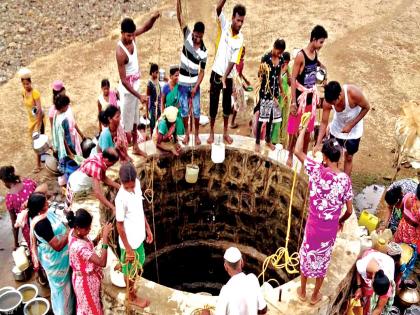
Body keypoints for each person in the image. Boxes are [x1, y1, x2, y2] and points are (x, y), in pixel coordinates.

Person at [294, 121, 353, 305]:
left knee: (307, 256)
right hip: (329, 231)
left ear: (325, 158)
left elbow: (297, 151)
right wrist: (340, 221)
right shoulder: (345, 180)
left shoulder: (316, 170)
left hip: (313, 227)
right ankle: (314, 295)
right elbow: (349, 211)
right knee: (323, 260)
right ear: (339, 158)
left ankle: (303, 291)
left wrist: (304, 128)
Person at [116, 14, 160, 155]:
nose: (131, 38)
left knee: (135, 120)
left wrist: (154, 18)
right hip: (128, 92)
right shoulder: (120, 52)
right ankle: (123, 152)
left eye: (132, 35)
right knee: (125, 124)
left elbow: (146, 27)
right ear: (122, 33)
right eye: (128, 35)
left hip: (136, 87)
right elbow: (123, 80)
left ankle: (135, 146)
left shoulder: (133, 36)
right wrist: (139, 95)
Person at [28, 192, 75, 315]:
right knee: (61, 289)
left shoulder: (35, 215)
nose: (48, 203)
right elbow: (58, 246)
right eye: (45, 203)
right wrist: (70, 230)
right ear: (39, 208)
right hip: (55, 260)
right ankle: (63, 312)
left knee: (61, 287)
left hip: (51, 258)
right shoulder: (41, 224)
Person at [287, 25, 328, 167]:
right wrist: (293, 102)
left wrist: (322, 66)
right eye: (321, 42)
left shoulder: (315, 54)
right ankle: (290, 154)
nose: (322, 45)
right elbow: (293, 79)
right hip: (299, 98)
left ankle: (303, 155)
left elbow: (316, 63)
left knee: (307, 128)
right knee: (293, 128)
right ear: (314, 40)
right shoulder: (300, 56)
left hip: (311, 98)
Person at [207, 1, 246, 145]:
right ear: (232, 18)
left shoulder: (240, 38)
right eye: (238, 20)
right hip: (216, 73)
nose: (240, 24)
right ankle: (211, 132)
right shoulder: (224, 26)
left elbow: (234, 60)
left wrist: (225, 77)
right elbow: (217, 8)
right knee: (213, 105)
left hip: (228, 77)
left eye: (242, 21)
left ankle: (225, 132)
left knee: (226, 106)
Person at [115, 163, 153, 308]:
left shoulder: (137, 184)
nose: (130, 189)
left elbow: (140, 209)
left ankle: (130, 287)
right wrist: (128, 249)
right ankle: (131, 296)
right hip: (129, 242)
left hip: (138, 237)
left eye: (132, 186)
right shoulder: (120, 199)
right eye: (127, 187)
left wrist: (148, 228)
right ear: (121, 182)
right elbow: (119, 225)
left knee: (137, 267)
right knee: (131, 272)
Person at [315, 81, 370, 176]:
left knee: (349, 157)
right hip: (337, 130)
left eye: (334, 103)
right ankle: (331, 180)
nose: (333, 105)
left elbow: (366, 107)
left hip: (354, 132)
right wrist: (318, 143)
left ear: (340, 95)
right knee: (332, 157)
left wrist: (351, 125)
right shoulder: (328, 102)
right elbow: (324, 122)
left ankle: (345, 182)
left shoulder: (353, 93)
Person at [67, 209, 113, 315]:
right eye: (87, 228)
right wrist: (105, 238)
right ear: (78, 228)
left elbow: (89, 245)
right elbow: (102, 262)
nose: (90, 229)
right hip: (85, 284)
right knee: (92, 310)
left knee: (86, 308)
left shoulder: (74, 233)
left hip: (84, 279)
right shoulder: (78, 247)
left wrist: (99, 237)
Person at [176, 0, 208, 146]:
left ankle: (196, 135)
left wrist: (196, 86)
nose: (196, 38)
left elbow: (202, 72)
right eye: (195, 35)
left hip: (194, 84)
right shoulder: (187, 35)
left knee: (196, 111)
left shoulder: (204, 51)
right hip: (182, 83)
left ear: (202, 35)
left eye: (199, 36)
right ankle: (187, 134)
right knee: (184, 111)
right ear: (193, 32)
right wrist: (179, 2)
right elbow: (180, 18)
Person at [214, 247, 267, 315]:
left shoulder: (225, 291)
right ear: (242, 262)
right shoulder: (252, 279)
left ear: (225, 267)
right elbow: (263, 309)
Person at [255, 39, 286, 152]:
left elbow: (278, 77)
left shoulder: (281, 59)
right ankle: (257, 142)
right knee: (262, 117)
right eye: (278, 51)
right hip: (265, 92)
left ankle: (268, 140)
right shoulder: (265, 58)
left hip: (275, 92)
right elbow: (260, 75)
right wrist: (261, 71)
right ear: (274, 47)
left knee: (271, 117)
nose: (279, 54)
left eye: (281, 52)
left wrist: (282, 91)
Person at [67, 148, 120, 213]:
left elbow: (103, 177)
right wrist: (112, 207)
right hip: (78, 184)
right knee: (76, 207)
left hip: (81, 179)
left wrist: (118, 186)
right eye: (113, 163)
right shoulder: (96, 167)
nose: (113, 165)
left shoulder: (101, 157)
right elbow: (97, 193)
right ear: (106, 160)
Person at [0, 166, 38, 249]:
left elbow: (14, 223)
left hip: (29, 231)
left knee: (36, 252)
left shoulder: (9, 199)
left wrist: (16, 242)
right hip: (43, 219)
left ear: (4, 181)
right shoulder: (29, 183)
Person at [18, 68, 46, 173]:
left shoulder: (36, 93)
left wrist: (38, 126)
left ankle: (38, 165)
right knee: (40, 141)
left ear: (30, 82)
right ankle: (53, 149)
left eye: (27, 84)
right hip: (31, 120)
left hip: (38, 120)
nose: (26, 86)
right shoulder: (23, 92)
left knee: (37, 142)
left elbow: (39, 111)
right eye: (24, 84)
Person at [355, 249, 396, 315]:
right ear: (372, 281)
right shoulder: (363, 266)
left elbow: (379, 308)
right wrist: (359, 287)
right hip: (370, 257)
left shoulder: (388, 276)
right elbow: (358, 271)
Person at [49, 81, 84, 155]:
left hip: (72, 138)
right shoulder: (55, 113)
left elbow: (73, 122)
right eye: (63, 94)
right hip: (66, 144)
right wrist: (55, 144)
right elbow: (55, 130)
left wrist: (81, 134)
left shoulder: (65, 107)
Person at [52, 95, 80, 182]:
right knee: (71, 165)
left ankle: (65, 177)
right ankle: (70, 181)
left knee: (65, 164)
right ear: (63, 106)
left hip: (61, 147)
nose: (68, 107)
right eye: (67, 105)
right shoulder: (63, 119)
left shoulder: (56, 114)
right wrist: (70, 152)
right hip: (67, 146)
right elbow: (63, 138)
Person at [272, 51, 291, 145]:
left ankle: (281, 138)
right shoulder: (277, 68)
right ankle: (273, 140)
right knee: (276, 119)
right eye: (285, 61)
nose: (286, 64)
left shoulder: (288, 69)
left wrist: (288, 72)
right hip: (277, 98)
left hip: (285, 98)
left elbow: (290, 83)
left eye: (288, 62)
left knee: (283, 119)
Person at [230, 46, 251, 129]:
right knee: (237, 104)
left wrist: (246, 80)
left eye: (243, 52)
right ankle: (232, 123)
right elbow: (238, 76)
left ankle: (230, 112)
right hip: (236, 85)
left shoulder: (237, 61)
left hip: (234, 84)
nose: (243, 54)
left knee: (235, 101)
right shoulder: (239, 62)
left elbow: (239, 74)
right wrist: (244, 86)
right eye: (241, 52)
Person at [393, 183, 420, 248]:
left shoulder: (408, 196)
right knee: (407, 250)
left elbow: (402, 210)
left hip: (402, 227)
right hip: (412, 234)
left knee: (396, 246)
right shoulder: (419, 211)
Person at [161, 66, 185, 136]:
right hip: (168, 113)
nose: (178, 77)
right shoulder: (165, 87)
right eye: (176, 75)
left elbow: (181, 101)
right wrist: (163, 114)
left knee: (178, 122)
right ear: (171, 76)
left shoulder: (180, 87)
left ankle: (179, 138)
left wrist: (174, 109)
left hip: (177, 111)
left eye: (179, 75)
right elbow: (162, 102)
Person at [146, 63, 161, 136]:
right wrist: (146, 112)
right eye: (156, 72)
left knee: (159, 122)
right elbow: (147, 98)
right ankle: (152, 136)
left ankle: (157, 135)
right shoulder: (149, 83)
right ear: (152, 73)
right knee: (152, 124)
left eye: (157, 72)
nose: (157, 74)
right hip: (152, 106)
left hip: (158, 105)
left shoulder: (157, 81)